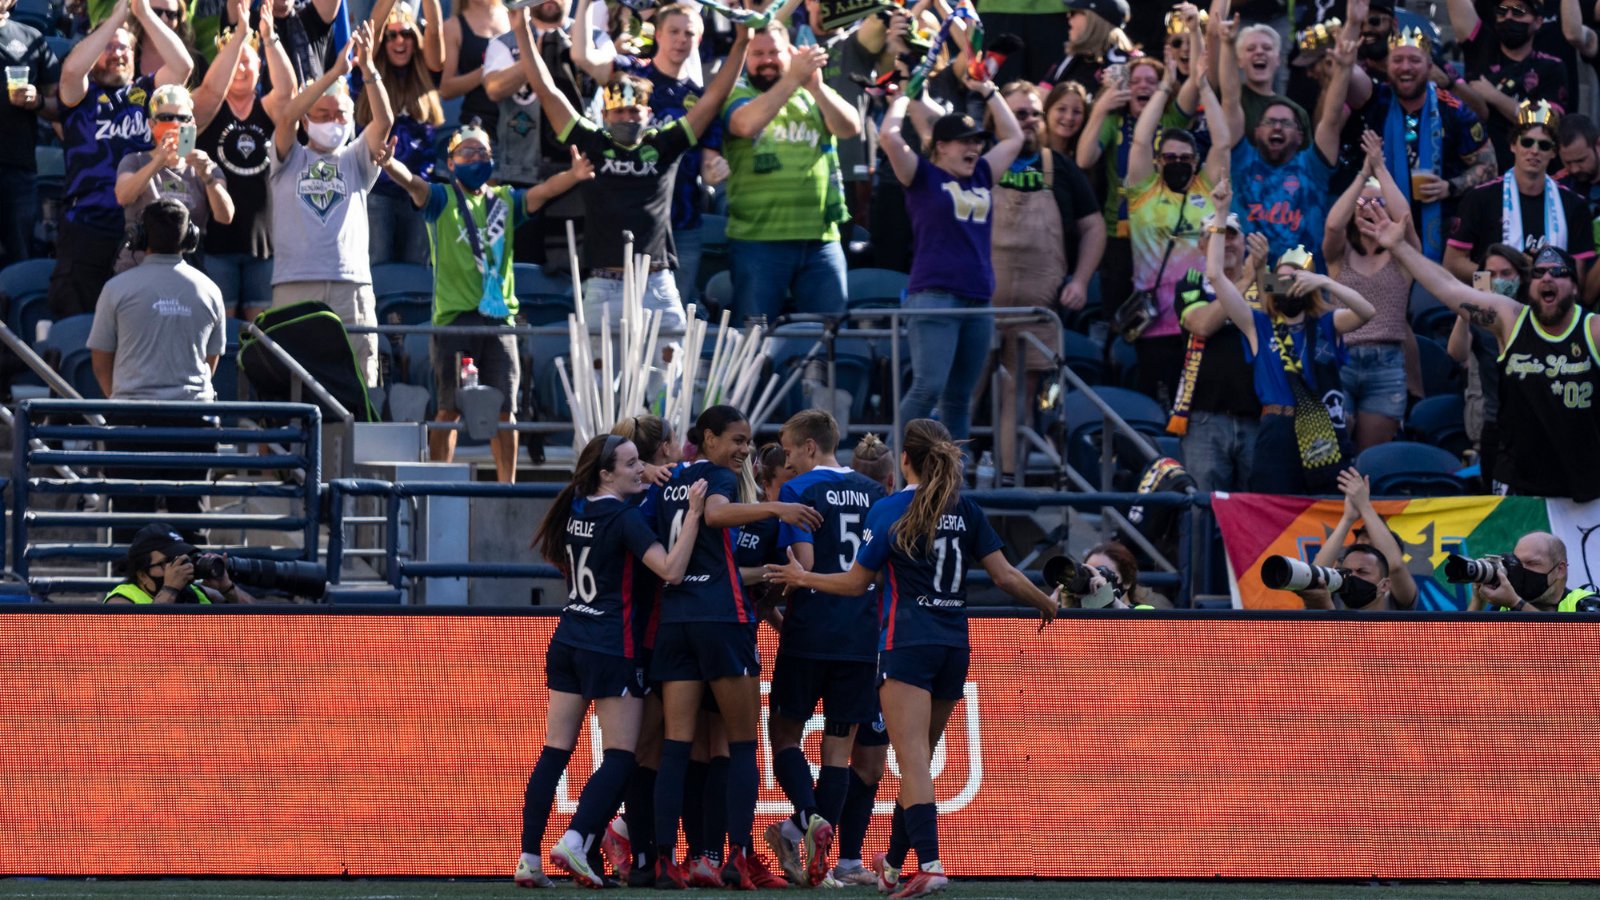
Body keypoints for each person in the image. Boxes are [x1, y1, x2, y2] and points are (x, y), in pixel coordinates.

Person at [763, 418, 1058, 899]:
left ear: (906, 460)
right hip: (953, 647)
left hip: (905, 645)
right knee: (909, 761)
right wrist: (1045, 601)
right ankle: (894, 863)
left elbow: (856, 582)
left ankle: (931, 864)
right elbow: (1004, 576)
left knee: (913, 763)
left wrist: (804, 580)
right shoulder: (966, 509)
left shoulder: (894, 509)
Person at [516, 433, 707, 889]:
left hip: (569, 638)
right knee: (623, 755)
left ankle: (528, 858)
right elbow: (672, 570)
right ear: (605, 473)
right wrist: (695, 516)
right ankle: (577, 839)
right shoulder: (623, 519)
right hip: (610, 644)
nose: (639, 469)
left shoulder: (577, 508)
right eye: (629, 464)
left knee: (554, 751)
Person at [649, 404, 821, 890]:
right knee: (742, 745)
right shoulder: (716, 479)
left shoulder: (669, 480)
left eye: (748, 442)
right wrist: (778, 507)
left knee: (678, 745)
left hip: (676, 618)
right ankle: (737, 858)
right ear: (707, 439)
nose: (743, 450)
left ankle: (668, 860)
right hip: (722, 619)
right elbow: (720, 515)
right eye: (736, 440)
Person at [515, 8, 747, 349]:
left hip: (657, 281)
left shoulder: (664, 144)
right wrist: (520, 24)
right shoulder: (593, 142)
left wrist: (743, 39)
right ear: (605, 115)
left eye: (634, 110)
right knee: (596, 386)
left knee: (668, 382)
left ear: (647, 112)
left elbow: (713, 99)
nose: (627, 117)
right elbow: (547, 91)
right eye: (619, 111)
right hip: (603, 283)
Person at [380, 123, 592, 482]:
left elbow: (541, 192)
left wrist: (572, 175)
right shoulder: (442, 198)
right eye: (468, 152)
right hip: (453, 321)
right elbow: (413, 185)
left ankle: (505, 486)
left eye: (484, 153)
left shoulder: (504, 201)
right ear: (451, 161)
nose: (476, 158)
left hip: (499, 321)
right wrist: (389, 165)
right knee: (448, 410)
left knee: (504, 410)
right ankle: (438, 483)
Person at [1359, 200, 1600, 501]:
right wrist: (1399, 247)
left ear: (1575, 287)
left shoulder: (1593, 330)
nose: (1547, 279)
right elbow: (1449, 288)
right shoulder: (1509, 319)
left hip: (1584, 486)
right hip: (1520, 485)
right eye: (1539, 273)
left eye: (1558, 272)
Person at [761, 409, 886, 887]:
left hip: (811, 628)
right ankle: (818, 848)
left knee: (785, 736)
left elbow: (804, 563)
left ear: (810, 447)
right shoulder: (874, 493)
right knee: (838, 752)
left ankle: (808, 817)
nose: (788, 461)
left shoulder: (798, 490)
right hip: (860, 635)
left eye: (791, 451)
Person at [1209, 177, 1377, 495]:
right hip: (1277, 429)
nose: (1291, 285)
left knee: (1324, 506)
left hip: (1321, 430)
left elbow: (1367, 312)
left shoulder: (1327, 323)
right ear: (1272, 286)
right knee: (1272, 509)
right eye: (1282, 279)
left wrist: (1325, 283)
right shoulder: (1259, 325)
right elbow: (1216, 277)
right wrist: (1220, 214)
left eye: (1297, 279)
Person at [881, 69, 1023, 441]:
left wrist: (989, 90)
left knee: (959, 398)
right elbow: (889, 137)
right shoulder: (922, 175)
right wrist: (903, 97)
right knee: (927, 387)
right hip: (934, 295)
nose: (974, 148)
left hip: (978, 299)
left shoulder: (980, 176)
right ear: (941, 146)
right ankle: (892, 466)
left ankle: (954, 480)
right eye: (963, 141)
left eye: (977, 140)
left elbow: (1014, 137)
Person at [87, 199, 227, 543]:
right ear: (190, 237)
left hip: (132, 422)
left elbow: (100, 359)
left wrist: (125, 395)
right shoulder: (210, 289)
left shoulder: (116, 288)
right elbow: (212, 361)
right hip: (194, 423)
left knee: (131, 529)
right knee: (191, 525)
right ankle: (193, 592)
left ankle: (129, 594)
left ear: (138, 236)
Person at [573, 0, 730, 305]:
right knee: (616, 326)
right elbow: (581, 56)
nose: (681, 40)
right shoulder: (629, 74)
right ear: (657, 34)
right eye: (673, 31)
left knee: (669, 324)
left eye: (689, 34)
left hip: (681, 225)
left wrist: (713, 171)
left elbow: (708, 161)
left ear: (698, 40)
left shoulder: (700, 99)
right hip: (622, 221)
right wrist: (584, 6)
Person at [988, 79, 1103, 482]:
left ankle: (1007, 481)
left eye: (1035, 114)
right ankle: (948, 484)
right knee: (964, 392)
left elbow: (1094, 227)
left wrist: (1081, 280)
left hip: (1038, 308)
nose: (1031, 121)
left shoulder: (1060, 166)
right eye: (1020, 114)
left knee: (1018, 397)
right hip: (980, 301)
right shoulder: (981, 161)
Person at [51, 0, 193, 319]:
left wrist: (142, 13)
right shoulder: (80, 96)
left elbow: (183, 67)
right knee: (81, 320)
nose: (118, 52)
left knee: (136, 322)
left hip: (139, 229)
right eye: (109, 46)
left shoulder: (146, 93)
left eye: (125, 48)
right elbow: (73, 69)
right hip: (87, 225)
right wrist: (115, 20)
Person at [269, 23, 390, 388]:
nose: (332, 123)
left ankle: (357, 446)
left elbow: (384, 121)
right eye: (322, 115)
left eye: (340, 115)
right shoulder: (288, 157)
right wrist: (335, 73)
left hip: (350, 285)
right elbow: (287, 116)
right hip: (295, 282)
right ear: (308, 121)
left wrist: (368, 70)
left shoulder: (356, 159)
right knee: (289, 379)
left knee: (359, 379)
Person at [722, 19, 860, 327]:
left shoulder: (810, 93)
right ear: (746, 58)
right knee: (752, 342)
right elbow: (745, 124)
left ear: (790, 52)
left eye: (774, 52)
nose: (767, 60)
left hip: (820, 241)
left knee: (831, 340)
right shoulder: (736, 92)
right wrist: (793, 79)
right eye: (757, 54)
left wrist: (818, 87)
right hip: (758, 242)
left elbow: (850, 127)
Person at [1121, 59, 1229, 408]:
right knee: (1157, 404)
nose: (1177, 162)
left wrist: (1204, 87)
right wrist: (1166, 86)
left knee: (1196, 405)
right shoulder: (1143, 192)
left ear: (1195, 162)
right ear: (1157, 161)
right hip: (1153, 324)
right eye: (1169, 157)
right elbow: (1139, 140)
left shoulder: (1206, 187)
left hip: (1200, 316)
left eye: (1185, 157)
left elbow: (1223, 144)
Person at [1353, 25, 1496, 262]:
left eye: (1414, 60)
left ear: (1429, 67)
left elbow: (1489, 167)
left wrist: (1449, 186)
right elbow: (1348, 79)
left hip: (1444, 230)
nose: (1406, 67)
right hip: (1380, 226)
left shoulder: (1454, 111)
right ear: (1387, 66)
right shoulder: (1375, 100)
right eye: (1398, 60)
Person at [1077, 56, 1195, 331]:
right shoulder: (1114, 121)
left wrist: (1170, 79)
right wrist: (1101, 107)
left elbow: (1193, 89)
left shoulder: (1171, 118)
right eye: (1136, 81)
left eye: (1151, 82)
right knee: (1117, 319)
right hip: (1119, 237)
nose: (1143, 86)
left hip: (1164, 237)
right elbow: (1084, 159)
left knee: (1162, 317)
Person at [1223, 21, 1356, 260]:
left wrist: (1344, 69)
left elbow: (1332, 118)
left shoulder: (1313, 167)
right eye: (1269, 122)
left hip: (1301, 285)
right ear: (1255, 132)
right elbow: (1231, 100)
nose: (1276, 127)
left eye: (1286, 123)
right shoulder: (1241, 159)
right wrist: (1226, 42)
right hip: (1249, 285)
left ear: (1300, 134)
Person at [200, 3, 296, 321]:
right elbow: (212, 88)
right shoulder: (209, 109)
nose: (240, 69)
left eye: (247, 62)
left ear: (260, 69)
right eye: (234, 63)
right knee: (222, 330)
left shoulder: (267, 108)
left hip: (263, 242)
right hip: (218, 241)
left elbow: (288, 92)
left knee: (261, 333)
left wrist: (268, 38)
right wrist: (240, 35)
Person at [1324, 129, 1419, 452]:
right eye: (1363, 202)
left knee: (1371, 457)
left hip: (1387, 362)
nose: (1371, 207)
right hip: (1343, 357)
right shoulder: (1340, 257)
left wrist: (1380, 169)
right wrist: (1364, 173)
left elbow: (1404, 217)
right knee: (1337, 450)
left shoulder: (1402, 258)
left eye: (1378, 202)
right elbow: (1334, 226)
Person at [1170, 213, 1267, 492]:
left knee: (1254, 513)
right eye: (1217, 236)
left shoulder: (1268, 279)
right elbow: (1201, 325)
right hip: (1205, 419)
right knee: (1203, 514)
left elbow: (1293, 316)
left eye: (1232, 234)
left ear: (1245, 242)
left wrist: (1258, 275)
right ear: (1202, 246)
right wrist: (1245, 279)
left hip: (1260, 417)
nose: (1226, 243)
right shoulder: (1189, 283)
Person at [1447, 100, 1594, 282]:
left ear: (1554, 153)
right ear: (1513, 145)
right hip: (1491, 304)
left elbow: (1578, 281)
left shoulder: (1574, 205)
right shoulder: (1479, 198)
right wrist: (1498, 278)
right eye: (1527, 142)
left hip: (1551, 305)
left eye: (1544, 145)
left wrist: (1545, 274)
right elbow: (1452, 264)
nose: (1534, 151)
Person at [113, 83, 236, 273]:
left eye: (183, 118)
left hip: (186, 269)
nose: (176, 124)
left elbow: (225, 216)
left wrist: (208, 178)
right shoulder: (135, 161)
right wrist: (158, 161)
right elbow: (123, 196)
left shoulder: (203, 165)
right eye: (167, 117)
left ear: (192, 125)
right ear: (152, 124)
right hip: (137, 267)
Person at [360, 0, 446, 267]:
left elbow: (435, 33)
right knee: (378, 267)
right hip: (378, 191)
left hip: (418, 192)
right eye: (393, 34)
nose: (400, 41)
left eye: (407, 33)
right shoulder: (368, 70)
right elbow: (371, 31)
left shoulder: (426, 74)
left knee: (418, 274)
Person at [1447, 0, 1569, 167]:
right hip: (1477, 169)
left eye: (1518, 12)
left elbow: (1547, 122)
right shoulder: (1481, 47)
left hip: (1526, 171)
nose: (1509, 17)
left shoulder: (1551, 67)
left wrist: (1494, 96)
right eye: (1502, 11)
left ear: (1538, 22)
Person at [1296, 468, 1419, 611]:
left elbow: (1395, 566)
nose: (1353, 577)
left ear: (1385, 584)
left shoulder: (1398, 594)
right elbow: (1314, 577)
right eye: (1361, 542)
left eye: (1362, 571)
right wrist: (1348, 518)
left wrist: (1364, 506)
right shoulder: (1337, 588)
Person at [0, 0, 60, 269]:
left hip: (17, 166)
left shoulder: (30, 38)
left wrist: (36, 101)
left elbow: (59, 106)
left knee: (19, 256)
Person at [104, 522, 256, 604]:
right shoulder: (122, 600)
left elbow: (263, 623)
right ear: (143, 575)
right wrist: (169, 590)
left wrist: (227, 588)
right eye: (169, 561)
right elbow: (135, 647)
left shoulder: (200, 593)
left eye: (182, 558)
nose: (180, 566)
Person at [1468, 531, 1597, 612]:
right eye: (1517, 563)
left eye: (1532, 563)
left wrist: (1516, 603)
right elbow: (1461, 649)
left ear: (1560, 570)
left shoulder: (1586, 605)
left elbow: (1571, 648)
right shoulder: (1504, 607)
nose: (1521, 570)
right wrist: (1477, 602)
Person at [439, 0, 505, 130]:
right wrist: (485, 72)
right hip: (479, 124)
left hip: (517, 123)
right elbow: (446, 89)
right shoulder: (453, 26)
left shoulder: (513, 16)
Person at [1044, 0, 1132, 92]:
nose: (1068, 16)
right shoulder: (1071, 57)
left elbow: (1116, 103)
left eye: (1073, 12)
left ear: (1093, 20)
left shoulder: (1124, 63)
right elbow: (1045, 95)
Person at [1085, 539, 1168, 608]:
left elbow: (1136, 625)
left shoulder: (1143, 611)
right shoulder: (1080, 613)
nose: (1095, 580)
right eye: (1090, 574)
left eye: (1103, 574)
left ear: (1127, 581)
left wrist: (1111, 600)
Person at [1555, 111, 1600, 206]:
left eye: (1581, 160)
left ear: (1598, 145)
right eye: (1568, 163)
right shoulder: (1557, 188)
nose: (1574, 169)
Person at [1042, 80, 1089, 157]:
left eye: (1077, 112)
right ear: (1047, 111)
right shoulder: (1030, 152)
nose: (1069, 117)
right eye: (1061, 109)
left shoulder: (1084, 158)